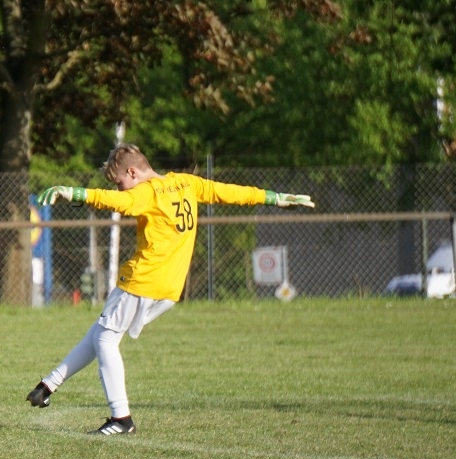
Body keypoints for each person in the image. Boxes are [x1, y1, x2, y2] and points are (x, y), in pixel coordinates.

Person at [27, 144, 314, 435]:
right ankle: (47, 386)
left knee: (106, 339)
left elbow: (114, 201)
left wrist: (74, 192)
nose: (120, 189)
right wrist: (275, 198)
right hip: (169, 287)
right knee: (101, 332)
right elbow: (230, 192)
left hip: (143, 280)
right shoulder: (186, 183)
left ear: (133, 172)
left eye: (120, 182)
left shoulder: (146, 192)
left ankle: (121, 419)